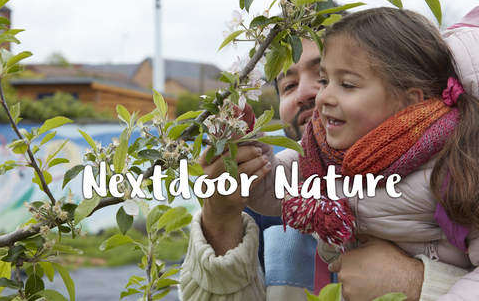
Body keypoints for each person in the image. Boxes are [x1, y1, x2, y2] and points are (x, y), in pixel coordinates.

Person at [179, 28, 472, 300]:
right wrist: (218, 218)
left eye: (329, 79)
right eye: (289, 84)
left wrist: (422, 284)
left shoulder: (455, 169)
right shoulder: (268, 198)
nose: (315, 95)